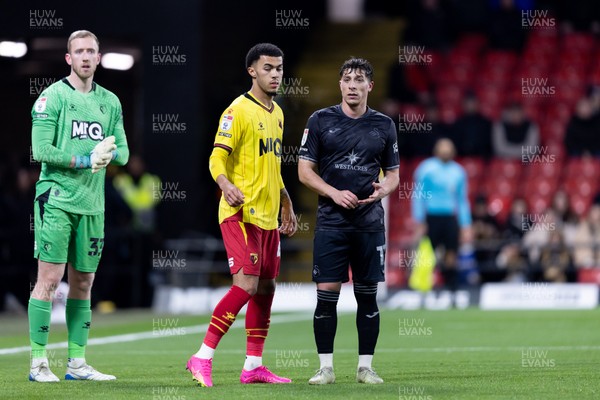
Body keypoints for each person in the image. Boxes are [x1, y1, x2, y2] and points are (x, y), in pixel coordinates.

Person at [186, 43, 297, 387]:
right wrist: (224, 183)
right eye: (268, 68)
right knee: (246, 284)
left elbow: (273, 165)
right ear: (252, 71)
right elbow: (217, 157)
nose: (275, 74)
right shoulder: (237, 111)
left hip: (267, 217)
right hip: (239, 213)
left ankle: (253, 366)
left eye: (279, 68)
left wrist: (286, 200)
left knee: (266, 286)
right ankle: (201, 357)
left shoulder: (277, 113)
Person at [29, 30, 129, 382]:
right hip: (56, 199)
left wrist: (109, 153)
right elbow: (40, 150)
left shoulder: (110, 102)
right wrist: (86, 160)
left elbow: (125, 152)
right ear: (68, 58)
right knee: (50, 280)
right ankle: (39, 362)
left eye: (91, 51)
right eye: (79, 52)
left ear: (99, 57)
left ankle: (76, 363)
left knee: (84, 283)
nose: (86, 57)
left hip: (93, 204)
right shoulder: (51, 97)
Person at [298, 58, 399, 385]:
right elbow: (304, 171)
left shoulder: (384, 125)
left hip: (369, 223)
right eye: (347, 79)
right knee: (326, 295)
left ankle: (365, 367)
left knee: (367, 295)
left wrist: (385, 187)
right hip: (331, 222)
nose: (352, 85)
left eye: (359, 80)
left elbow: (395, 174)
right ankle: (325, 368)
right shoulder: (319, 121)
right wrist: (333, 192)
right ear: (340, 84)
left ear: (370, 85)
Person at [412, 138, 473, 293]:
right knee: (428, 254)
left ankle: (451, 289)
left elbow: (462, 199)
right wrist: (419, 220)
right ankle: (424, 289)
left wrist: (465, 224)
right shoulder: (426, 168)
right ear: (436, 150)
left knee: (451, 254)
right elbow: (418, 195)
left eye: (448, 148)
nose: (446, 151)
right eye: (442, 148)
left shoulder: (458, 171)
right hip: (431, 217)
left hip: (450, 218)